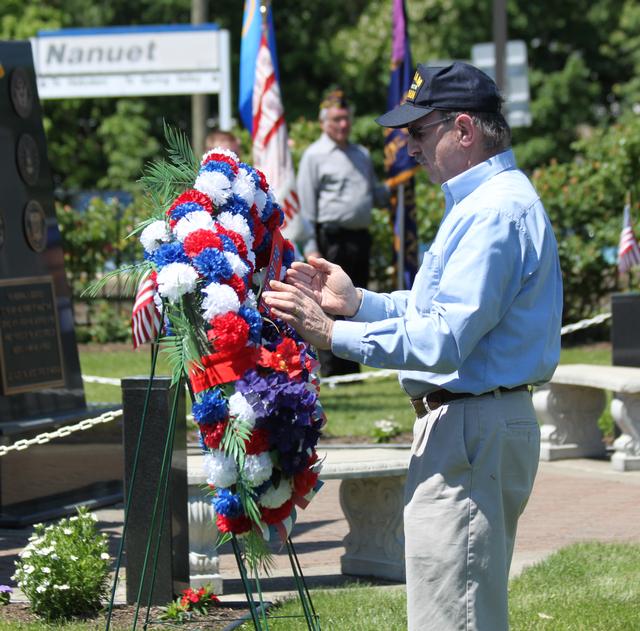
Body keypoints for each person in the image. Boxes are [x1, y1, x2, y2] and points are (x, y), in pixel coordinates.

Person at [264, 61, 563, 631]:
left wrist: (333, 335)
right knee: (446, 608)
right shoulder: (483, 202)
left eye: (419, 132)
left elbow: (444, 339)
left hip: (472, 428)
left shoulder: (494, 211)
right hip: (471, 425)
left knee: (456, 616)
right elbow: (440, 313)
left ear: (465, 129)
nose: (410, 149)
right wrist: (358, 304)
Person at [296, 87, 389, 377]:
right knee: (330, 304)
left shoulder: (361, 154)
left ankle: (353, 368)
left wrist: (399, 181)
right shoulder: (315, 156)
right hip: (330, 239)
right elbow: (305, 205)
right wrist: (311, 246)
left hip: (359, 238)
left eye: (347, 118)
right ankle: (332, 371)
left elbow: (375, 195)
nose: (343, 124)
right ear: (324, 122)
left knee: (356, 300)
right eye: (337, 119)